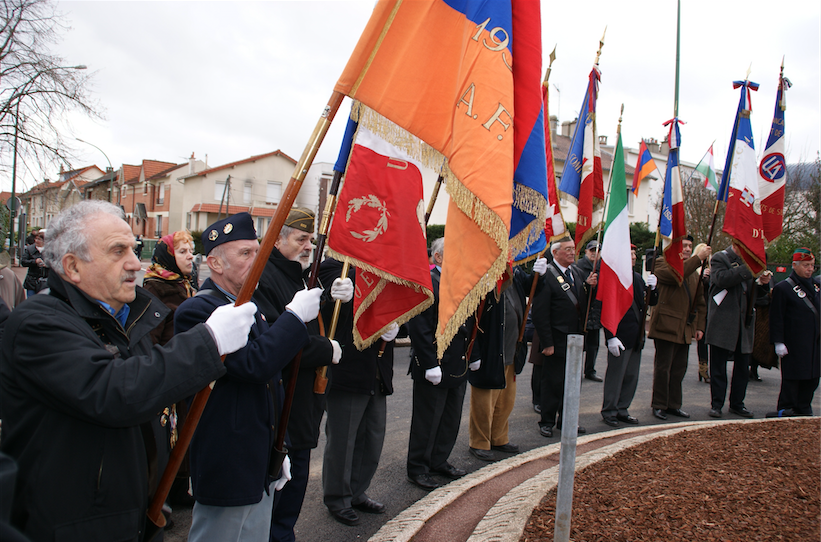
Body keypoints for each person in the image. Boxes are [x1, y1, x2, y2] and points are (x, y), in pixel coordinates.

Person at [0, 200, 256, 541]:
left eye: (134, 250)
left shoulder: (126, 316)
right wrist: (209, 341)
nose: (136, 263)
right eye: (118, 251)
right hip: (73, 526)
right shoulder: (38, 323)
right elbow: (116, 391)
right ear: (72, 266)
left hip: (131, 516)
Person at [174, 213, 323, 542]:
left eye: (257, 252)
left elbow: (272, 386)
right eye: (245, 254)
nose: (257, 261)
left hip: (258, 459)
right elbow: (255, 365)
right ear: (214, 263)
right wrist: (295, 317)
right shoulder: (199, 311)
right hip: (228, 462)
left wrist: (276, 451)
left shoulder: (247, 305)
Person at [252, 207, 342, 542]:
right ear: (277, 238)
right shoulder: (266, 278)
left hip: (303, 404)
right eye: (300, 239)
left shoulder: (302, 274)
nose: (307, 246)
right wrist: (325, 350)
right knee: (277, 502)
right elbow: (277, 340)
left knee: (292, 496)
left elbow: (312, 325)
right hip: (284, 405)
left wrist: (334, 302)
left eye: (310, 239)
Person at [318, 258, 397, 526]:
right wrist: (331, 293)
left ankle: (357, 491)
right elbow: (326, 302)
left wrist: (398, 327)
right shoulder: (334, 267)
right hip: (349, 370)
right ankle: (338, 497)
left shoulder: (386, 269)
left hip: (377, 368)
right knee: (343, 441)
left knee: (372, 438)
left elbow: (399, 306)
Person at [406, 237, 479, 490]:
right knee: (428, 419)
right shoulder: (428, 283)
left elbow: (470, 322)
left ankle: (439, 460)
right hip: (434, 365)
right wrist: (428, 363)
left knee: (450, 417)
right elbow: (420, 327)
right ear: (438, 258)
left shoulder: (460, 282)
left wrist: (474, 354)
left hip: (458, 361)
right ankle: (418, 468)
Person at [141, 231, 198, 508]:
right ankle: (159, 497)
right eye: (184, 252)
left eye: (192, 250)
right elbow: (150, 338)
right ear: (168, 256)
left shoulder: (187, 284)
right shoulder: (155, 288)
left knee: (186, 432)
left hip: (188, 370)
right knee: (167, 436)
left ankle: (178, 489)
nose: (191, 256)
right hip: (168, 372)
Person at [468, 261, 544, 461]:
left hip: (512, 348)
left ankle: (499, 437)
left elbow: (532, 287)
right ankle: (480, 441)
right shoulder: (481, 271)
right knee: (484, 401)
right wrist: (473, 353)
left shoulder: (515, 270)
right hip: (490, 349)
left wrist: (539, 274)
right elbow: (469, 316)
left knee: (506, 400)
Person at [531, 237, 597, 438]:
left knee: (572, 383)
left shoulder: (576, 272)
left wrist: (588, 287)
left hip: (575, 339)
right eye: (567, 249)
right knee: (553, 383)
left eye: (573, 249)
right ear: (556, 252)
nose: (572, 252)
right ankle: (547, 421)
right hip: (557, 339)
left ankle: (567, 419)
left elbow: (581, 304)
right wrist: (547, 343)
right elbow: (541, 314)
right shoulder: (548, 275)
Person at [648, 236, 709, 421]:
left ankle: (674, 405)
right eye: (685, 246)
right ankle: (659, 405)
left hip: (685, 328)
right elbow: (676, 275)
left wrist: (699, 327)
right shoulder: (661, 263)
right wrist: (698, 259)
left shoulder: (694, 273)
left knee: (679, 369)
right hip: (666, 325)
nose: (689, 249)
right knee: (663, 369)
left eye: (691, 246)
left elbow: (700, 302)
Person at [706, 245, 766, 419]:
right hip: (722, 322)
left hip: (744, 323)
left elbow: (756, 296)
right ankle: (717, 404)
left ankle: (737, 404)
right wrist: (749, 268)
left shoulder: (748, 263)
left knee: (742, 368)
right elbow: (721, 279)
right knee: (718, 366)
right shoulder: (720, 258)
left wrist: (762, 284)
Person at [601, 245, 658, 427]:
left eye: (634, 254)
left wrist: (653, 289)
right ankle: (609, 410)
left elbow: (650, 302)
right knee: (616, 377)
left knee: (631, 376)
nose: (633, 257)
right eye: (630, 254)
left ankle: (622, 408)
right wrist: (610, 336)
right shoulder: (614, 279)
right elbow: (608, 308)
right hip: (620, 336)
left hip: (636, 336)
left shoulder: (637, 278)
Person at [768, 248, 820, 417]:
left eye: (812, 265)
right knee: (793, 380)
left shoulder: (816, 287)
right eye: (806, 265)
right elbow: (777, 317)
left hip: (814, 343)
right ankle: (786, 409)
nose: (810, 269)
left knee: (812, 379)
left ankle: (804, 407)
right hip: (794, 344)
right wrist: (778, 341)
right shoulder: (784, 288)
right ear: (794, 265)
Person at [575, 240, 603, 382]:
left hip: (596, 311)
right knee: (580, 344)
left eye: (597, 250)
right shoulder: (579, 266)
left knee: (594, 344)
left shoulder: (602, 267)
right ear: (586, 251)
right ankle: (576, 370)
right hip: (582, 310)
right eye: (592, 250)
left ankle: (590, 370)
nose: (594, 253)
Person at [21, 229, 48, 297]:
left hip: (45, 281)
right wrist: (35, 261)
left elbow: (56, 263)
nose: (36, 241)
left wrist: (47, 265)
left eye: (39, 239)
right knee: (31, 301)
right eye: (36, 239)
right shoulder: (30, 249)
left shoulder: (50, 250)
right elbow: (23, 262)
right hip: (32, 280)